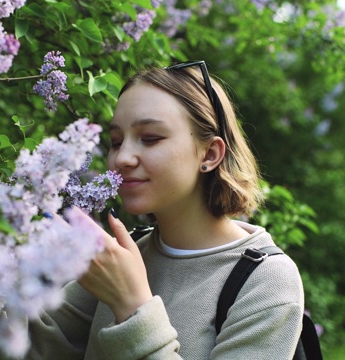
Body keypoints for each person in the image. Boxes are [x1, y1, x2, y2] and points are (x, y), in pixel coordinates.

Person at [26, 61, 304, 359]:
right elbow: (35, 345)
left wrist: (131, 306)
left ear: (210, 154)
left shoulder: (267, 282)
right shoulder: (134, 252)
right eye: (116, 141)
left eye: (150, 138)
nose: (122, 158)